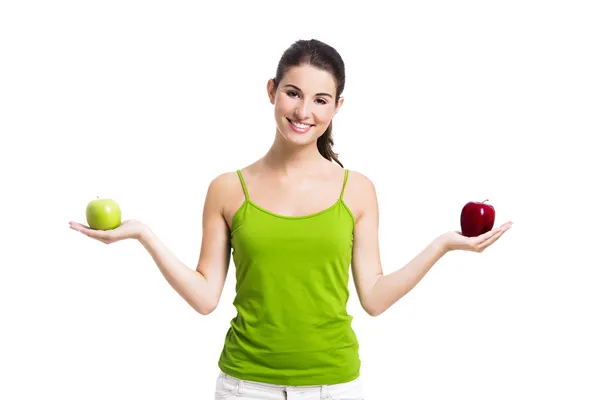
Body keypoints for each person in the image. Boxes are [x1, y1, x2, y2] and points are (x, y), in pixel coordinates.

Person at [69, 38, 513, 399]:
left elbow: (374, 297)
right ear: (271, 91)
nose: (304, 112)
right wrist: (143, 234)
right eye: (293, 93)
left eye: (321, 100)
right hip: (246, 385)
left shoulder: (356, 189)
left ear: (337, 106)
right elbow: (206, 297)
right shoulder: (227, 188)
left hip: (333, 385)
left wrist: (443, 244)